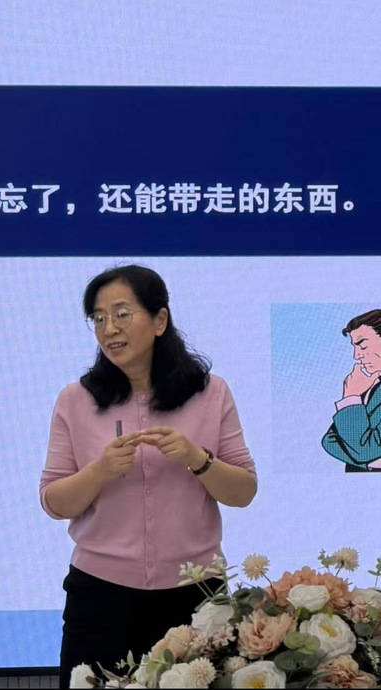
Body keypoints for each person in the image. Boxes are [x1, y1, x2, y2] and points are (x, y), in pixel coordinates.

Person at [39, 265, 257, 687]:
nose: (109, 328)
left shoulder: (211, 393)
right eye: (98, 318)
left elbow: (244, 491)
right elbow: (53, 501)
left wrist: (198, 459)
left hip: (196, 596)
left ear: (160, 320)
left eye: (122, 314)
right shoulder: (75, 400)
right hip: (101, 596)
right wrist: (100, 470)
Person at [322, 309, 381, 471]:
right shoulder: (371, 386)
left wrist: (351, 397)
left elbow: (363, 450)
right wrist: (371, 463)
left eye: (362, 345)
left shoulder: (359, 391)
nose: (356, 355)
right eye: (355, 347)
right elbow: (329, 441)